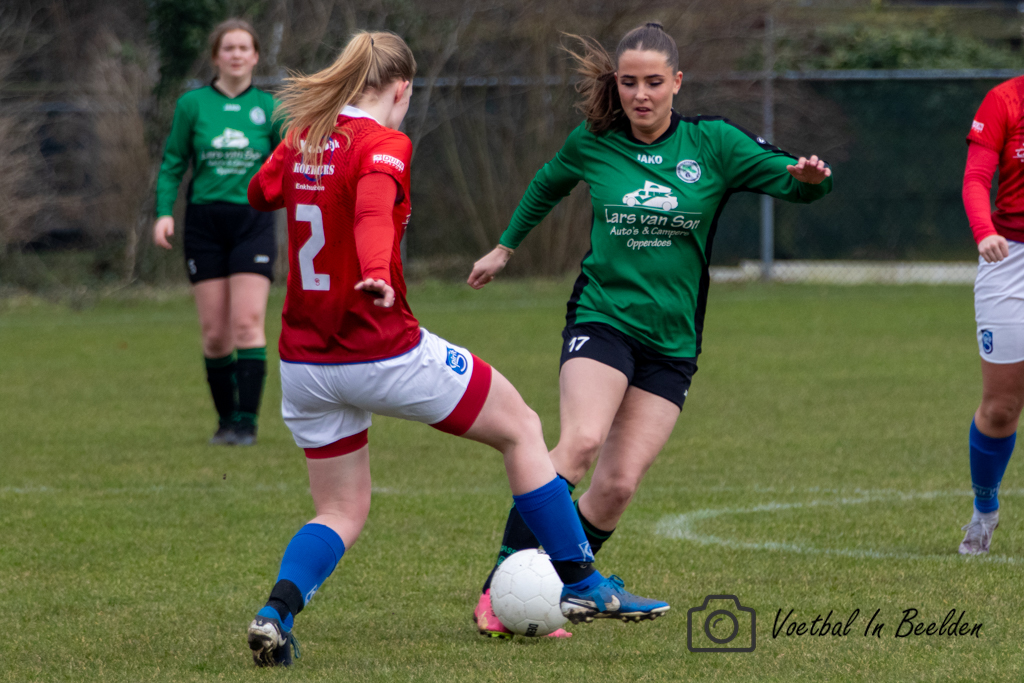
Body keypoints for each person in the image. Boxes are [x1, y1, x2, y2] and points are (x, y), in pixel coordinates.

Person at [243, 30, 669, 667]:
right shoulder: (384, 143)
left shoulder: (305, 135)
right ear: (402, 88)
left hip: (305, 366)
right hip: (381, 352)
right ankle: (582, 581)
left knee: (341, 509)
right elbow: (371, 212)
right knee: (521, 428)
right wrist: (376, 272)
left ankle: (276, 612)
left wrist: (302, 159)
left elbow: (260, 193)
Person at [466, 23, 833, 638]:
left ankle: (551, 591)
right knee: (580, 443)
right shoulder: (595, 142)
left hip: (672, 343)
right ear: (617, 83)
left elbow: (795, 183)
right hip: (603, 319)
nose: (641, 94)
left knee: (616, 487)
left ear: (677, 83)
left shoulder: (712, 142)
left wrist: (811, 182)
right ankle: (498, 589)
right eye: (630, 82)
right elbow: (548, 183)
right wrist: (505, 247)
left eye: (654, 82)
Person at [153, 19, 282, 446]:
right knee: (215, 334)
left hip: (253, 223)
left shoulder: (270, 107)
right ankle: (226, 422)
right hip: (205, 224)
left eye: (244, 48)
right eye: (228, 48)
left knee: (247, 323)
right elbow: (173, 163)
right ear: (215, 57)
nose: (236, 55)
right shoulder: (192, 105)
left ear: (256, 56)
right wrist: (163, 213)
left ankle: (247, 425)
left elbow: (287, 165)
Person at [958, 75, 1024, 555]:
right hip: (1010, 260)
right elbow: (976, 179)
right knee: (1001, 407)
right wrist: (984, 231)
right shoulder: (1005, 100)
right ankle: (985, 511)